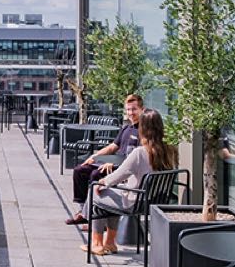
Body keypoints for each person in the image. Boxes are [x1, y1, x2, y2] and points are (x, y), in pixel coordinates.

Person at [80, 108, 176, 255]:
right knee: (112, 191)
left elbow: (119, 174)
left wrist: (103, 182)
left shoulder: (140, 152)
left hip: (134, 201)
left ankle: (96, 243)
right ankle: (110, 243)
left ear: (143, 128)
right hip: (155, 200)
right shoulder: (171, 151)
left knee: (95, 190)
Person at [65, 94, 144, 226]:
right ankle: (84, 211)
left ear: (142, 109)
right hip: (111, 162)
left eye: (134, 109)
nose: (131, 113)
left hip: (123, 168)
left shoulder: (143, 131)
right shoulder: (126, 128)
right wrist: (94, 157)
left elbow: (135, 160)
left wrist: (114, 163)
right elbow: (113, 146)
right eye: (128, 110)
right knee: (80, 170)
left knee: (95, 175)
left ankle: (94, 218)